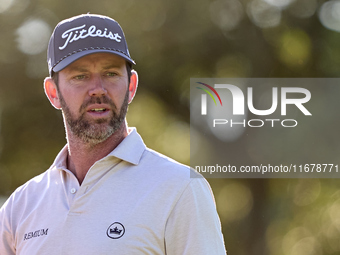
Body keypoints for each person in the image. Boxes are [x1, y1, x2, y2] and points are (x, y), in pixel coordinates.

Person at [0, 14, 226, 255]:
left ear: (131, 86)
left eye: (111, 74)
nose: (98, 89)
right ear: (53, 92)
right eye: (80, 76)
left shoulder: (180, 189)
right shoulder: (20, 206)